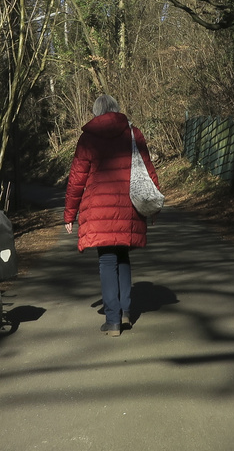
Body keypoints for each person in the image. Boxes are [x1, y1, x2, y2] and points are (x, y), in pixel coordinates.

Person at [64, 94, 161, 337]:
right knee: (123, 255)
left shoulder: (88, 138)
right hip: (128, 204)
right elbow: (147, 169)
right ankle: (126, 311)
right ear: (117, 110)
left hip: (99, 210)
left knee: (107, 260)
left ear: (96, 112)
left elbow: (77, 179)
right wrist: (153, 205)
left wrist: (69, 214)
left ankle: (113, 320)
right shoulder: (132, 133)